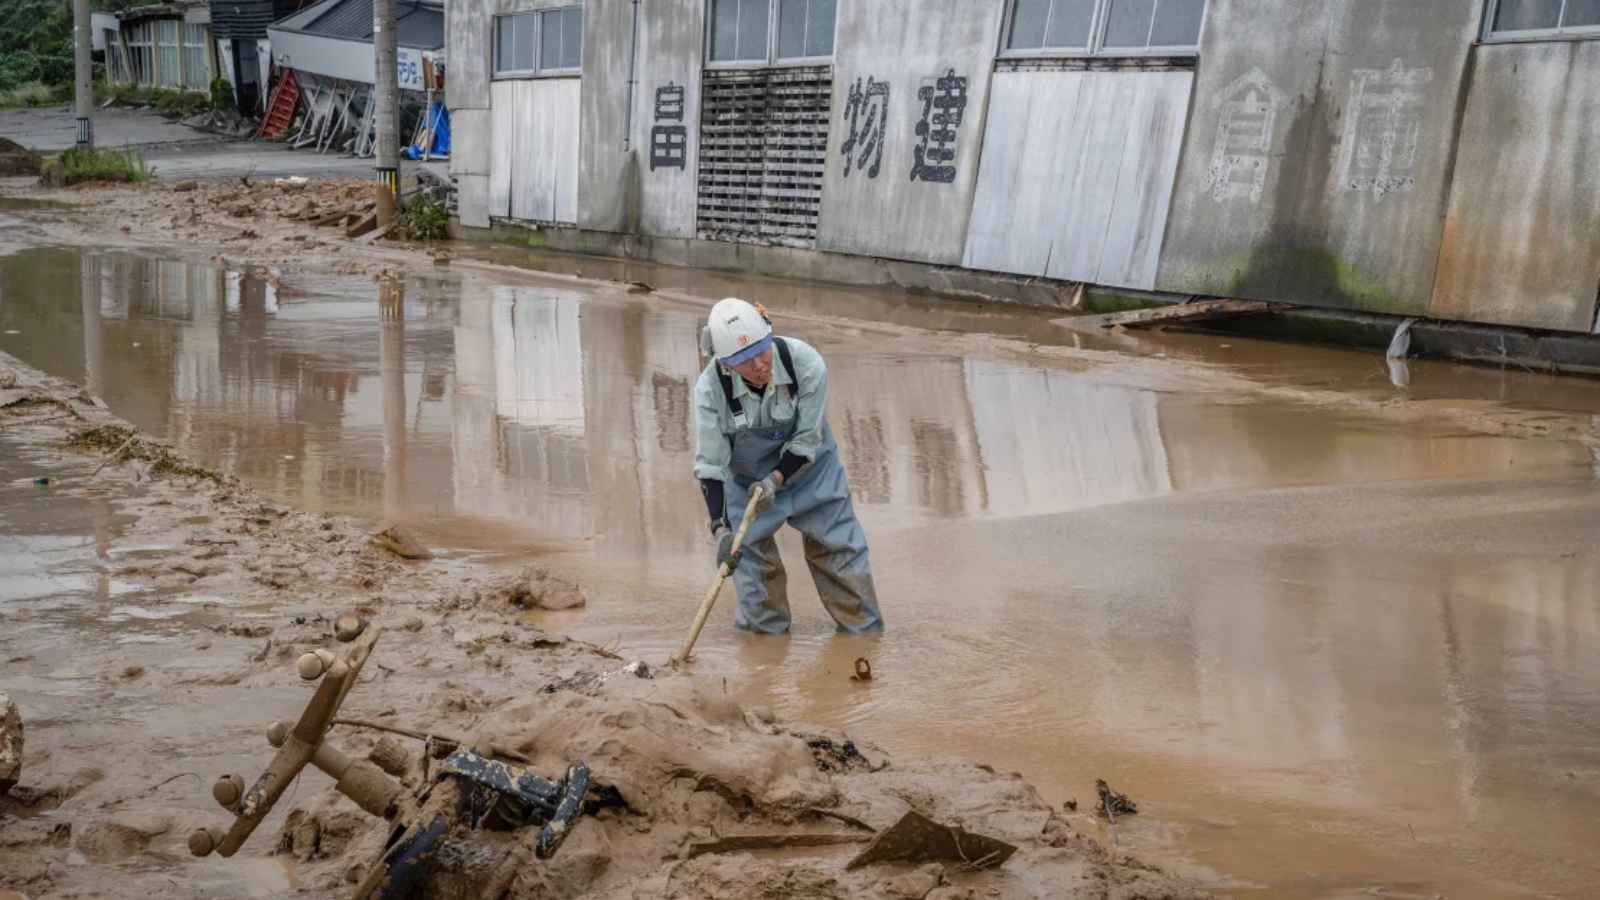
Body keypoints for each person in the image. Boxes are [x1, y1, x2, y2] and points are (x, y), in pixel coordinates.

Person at [693, 297, 884, 635]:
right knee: (753, 574)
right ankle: (765, 652)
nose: (758, 365)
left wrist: (776, 480)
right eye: (743, 360)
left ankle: (864, 638)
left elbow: (806, 441)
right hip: (747, 485)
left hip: (812, 473)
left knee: (841, 552)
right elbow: (711, 467)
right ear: (725, 363)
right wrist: (720, 528)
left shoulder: (806, 364)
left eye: (761, 351)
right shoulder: (710, 391)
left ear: (769, 336)